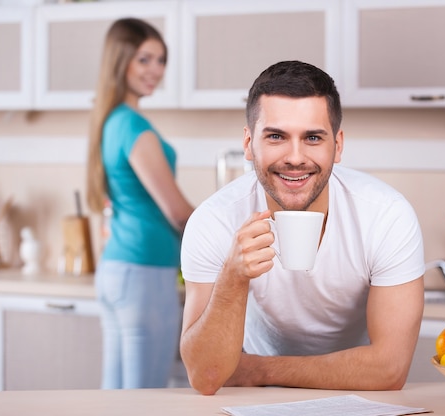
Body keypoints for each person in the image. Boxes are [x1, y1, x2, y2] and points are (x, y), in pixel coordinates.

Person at [179, 60, 425, 395]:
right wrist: (232, 278)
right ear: (249, 144)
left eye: (312, 137)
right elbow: (206, 376)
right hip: (255, 402)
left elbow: (389, 369)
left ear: (337, 146)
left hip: (354, 397)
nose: (295, 157)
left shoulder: (386, 216)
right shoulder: (214, 221)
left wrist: (255, 370)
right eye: (277, 136)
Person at [86, 18, 194, 389]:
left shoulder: (111, 121)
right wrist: (224, 231)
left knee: (117, 398)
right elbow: (178, 212)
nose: (156, 71)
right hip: (144, 274)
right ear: (121, 60)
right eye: (145, 59)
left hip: (118, 271)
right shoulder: (134, 127)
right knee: (144, 400)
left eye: (161, 60)